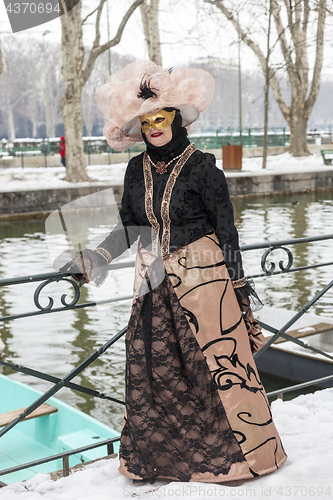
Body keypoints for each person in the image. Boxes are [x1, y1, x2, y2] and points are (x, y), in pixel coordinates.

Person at [62, 60, 287, 484]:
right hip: (152, 284)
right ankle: (164, 460)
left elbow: (227, 230)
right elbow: (129, 227)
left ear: (177, 119)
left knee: (213, 369)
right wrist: (94, 260)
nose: (154, 127)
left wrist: (237, 286)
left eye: (161, 117)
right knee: (152, 370)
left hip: (205, 282)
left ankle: (235, 461)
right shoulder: (135, 170)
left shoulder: (203, 166)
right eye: (146, 121)